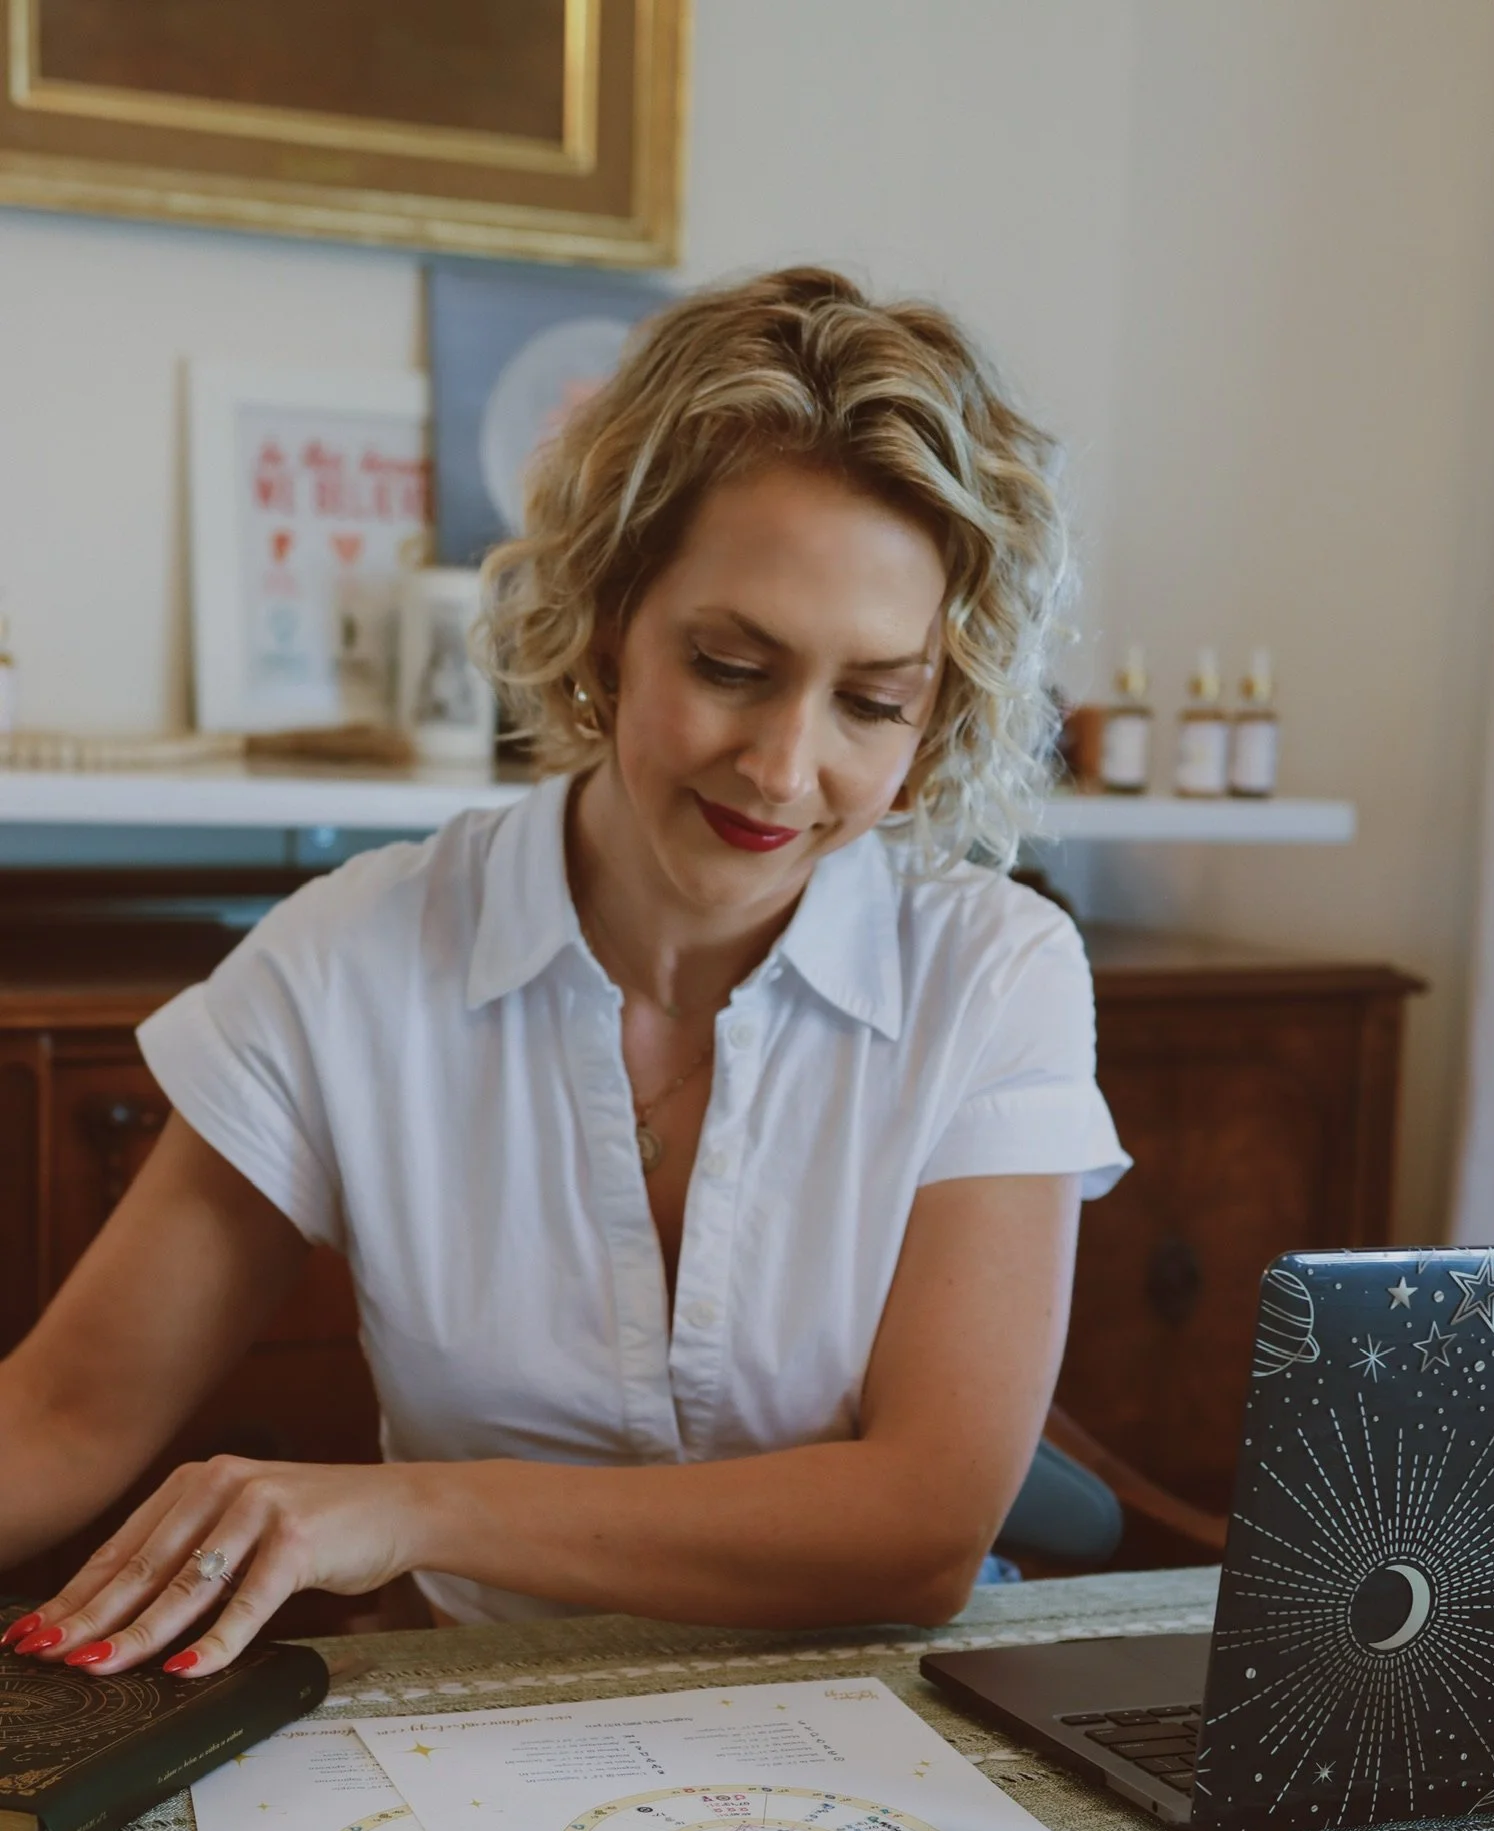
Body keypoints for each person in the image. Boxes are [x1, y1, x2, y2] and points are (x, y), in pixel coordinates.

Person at [0, 267, 1127, 1681]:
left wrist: (414, 1507)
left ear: (938, 711)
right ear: (605, 615)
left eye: (870, 702)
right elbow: (58, 1419)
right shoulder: (350, 960)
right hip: (479, 1727)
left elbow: (924, 1527)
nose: (783, 770)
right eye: (730, 665)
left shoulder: (996, 969)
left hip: (883, 1719)